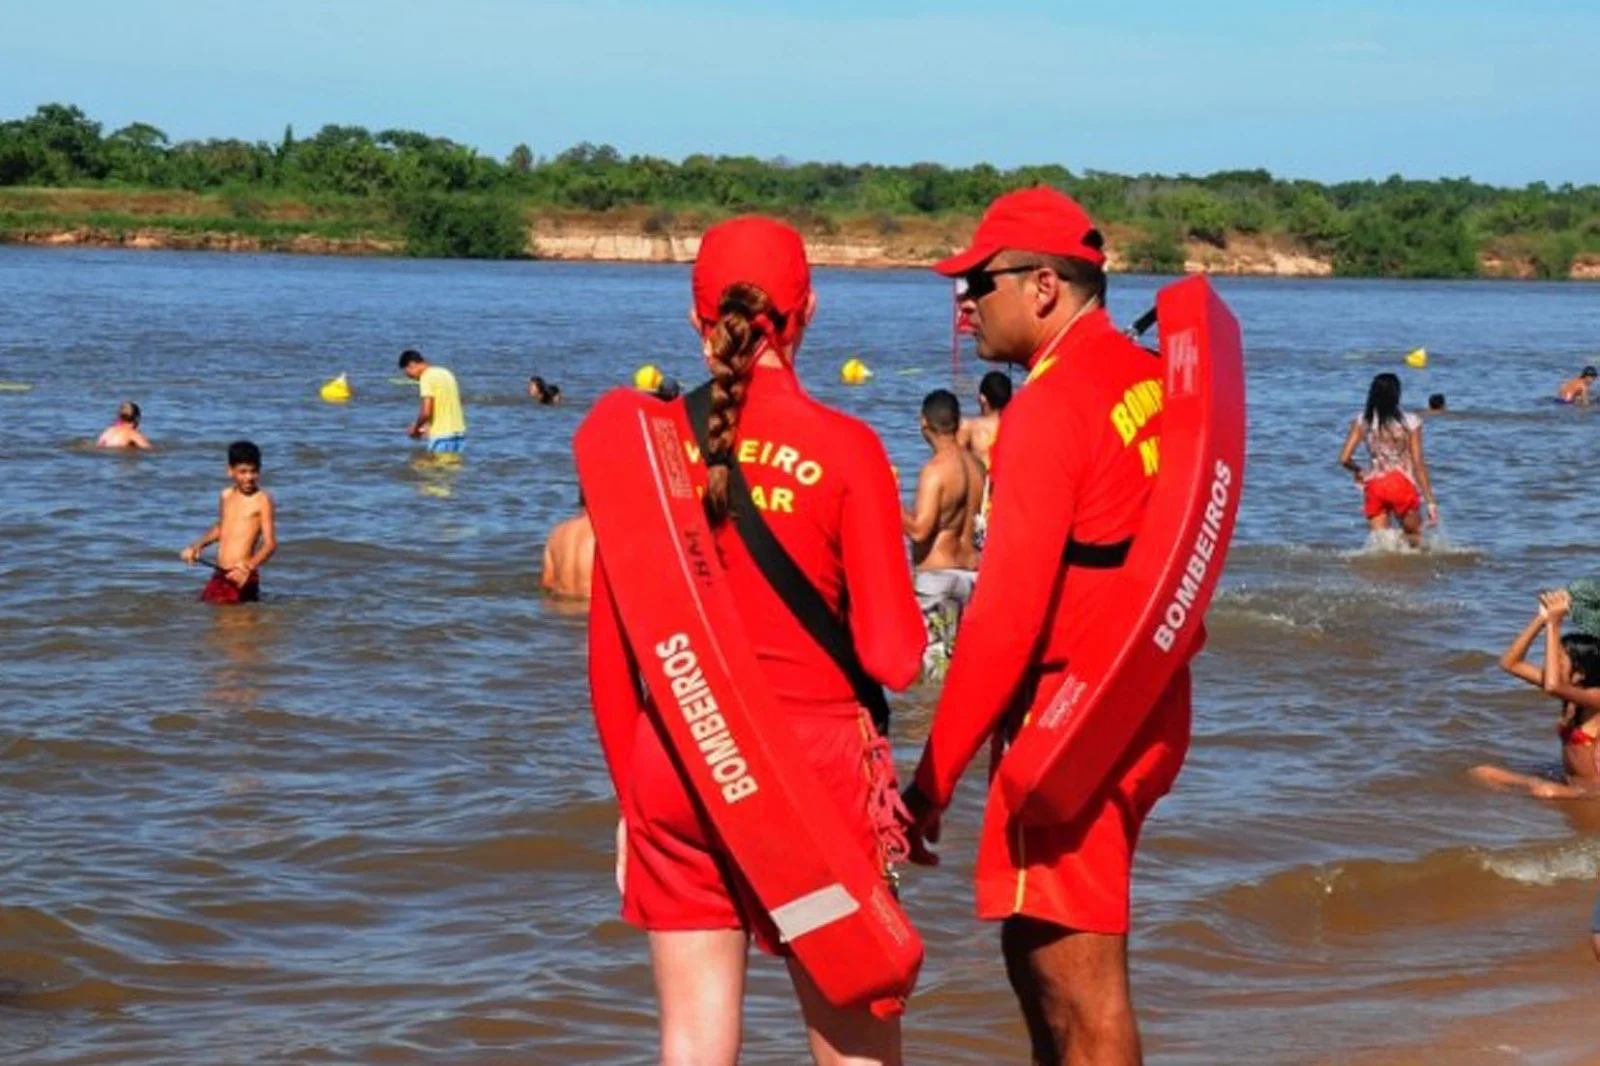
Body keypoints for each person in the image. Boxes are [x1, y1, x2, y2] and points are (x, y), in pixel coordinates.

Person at [586, 216, 924, 1066]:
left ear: (698, 322)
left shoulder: (650, 446)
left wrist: (634, 806)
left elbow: (611, 663)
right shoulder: (850, 450)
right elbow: (895, 660)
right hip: (810, 784)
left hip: (679, 762)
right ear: (808, 311)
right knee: (854, 1051)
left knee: (694, 1045)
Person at [900, 187, 1192, 1066]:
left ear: (1040, 287)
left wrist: (931, 781)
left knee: (1079, 989)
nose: (965, 303)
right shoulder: (1150, 379)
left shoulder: (1048, 412)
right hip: (1147, 695)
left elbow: (1003, 621)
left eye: (977, 283)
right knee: (1036, 954)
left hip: (1073, 720)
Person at [1470, 588, 1600, 799]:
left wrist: (1555, 625)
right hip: (1569, 783)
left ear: (1580, 674)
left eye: (1558, 662)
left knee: (1545, 791)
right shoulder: (1569, 693)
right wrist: (1541, 619)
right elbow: (1509, 663)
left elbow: (1552, 686)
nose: (1551, 667)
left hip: (1592, 793)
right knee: (1483, 772)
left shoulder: (1596, 698)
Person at [903, 388, 985, 679]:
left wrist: (887, 497)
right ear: (957, 421)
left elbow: (920, 530)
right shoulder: (977, 467)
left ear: (924, 422)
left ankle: (926, 724)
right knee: (960, 671)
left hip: (937, 579)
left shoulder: (935, 470)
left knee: (931, 676)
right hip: (971, 576)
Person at [1338, 373, 1439, 548]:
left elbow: (1344, 459)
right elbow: (1418, 464)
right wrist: (1430, 502)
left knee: (1381, 543)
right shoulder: (1410, 422)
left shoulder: (1363, 421)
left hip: (1375, 484)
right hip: (1402, 484)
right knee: (1415, 538)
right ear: (1397, 395)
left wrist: (1358, 471)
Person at [180, 440, 276, 604]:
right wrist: (197, 546)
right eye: (243, 472)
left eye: (253, 471)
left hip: (243, 574)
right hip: (220, 573)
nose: (249, 477)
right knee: (210, 613)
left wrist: (247, 568)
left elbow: (270, 545)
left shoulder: (262, 500)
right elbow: (221, 528)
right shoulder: (226, 495)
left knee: (234, 623)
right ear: (230, 471)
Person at [399, 349, 466, 453]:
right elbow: (444, 405)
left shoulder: (426, 377)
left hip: (441, 437)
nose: (412, 378)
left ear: (411, 364)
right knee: (453, 468)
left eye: (409, 374)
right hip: (459, 434)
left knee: (434, 468)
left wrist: (415, 429)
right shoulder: (446, 373)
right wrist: (428, 427)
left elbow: (426, 412)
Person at [541, 493, 594, 600]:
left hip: (560, 610)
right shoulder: (607, 532)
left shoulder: (557, 532)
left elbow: (547, 583)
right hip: (590, 608)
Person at [957, 370, 1012, 469]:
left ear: (982, 399)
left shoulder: (969, 428)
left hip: (984, 481)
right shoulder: (1019, 427)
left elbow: (953, 462)